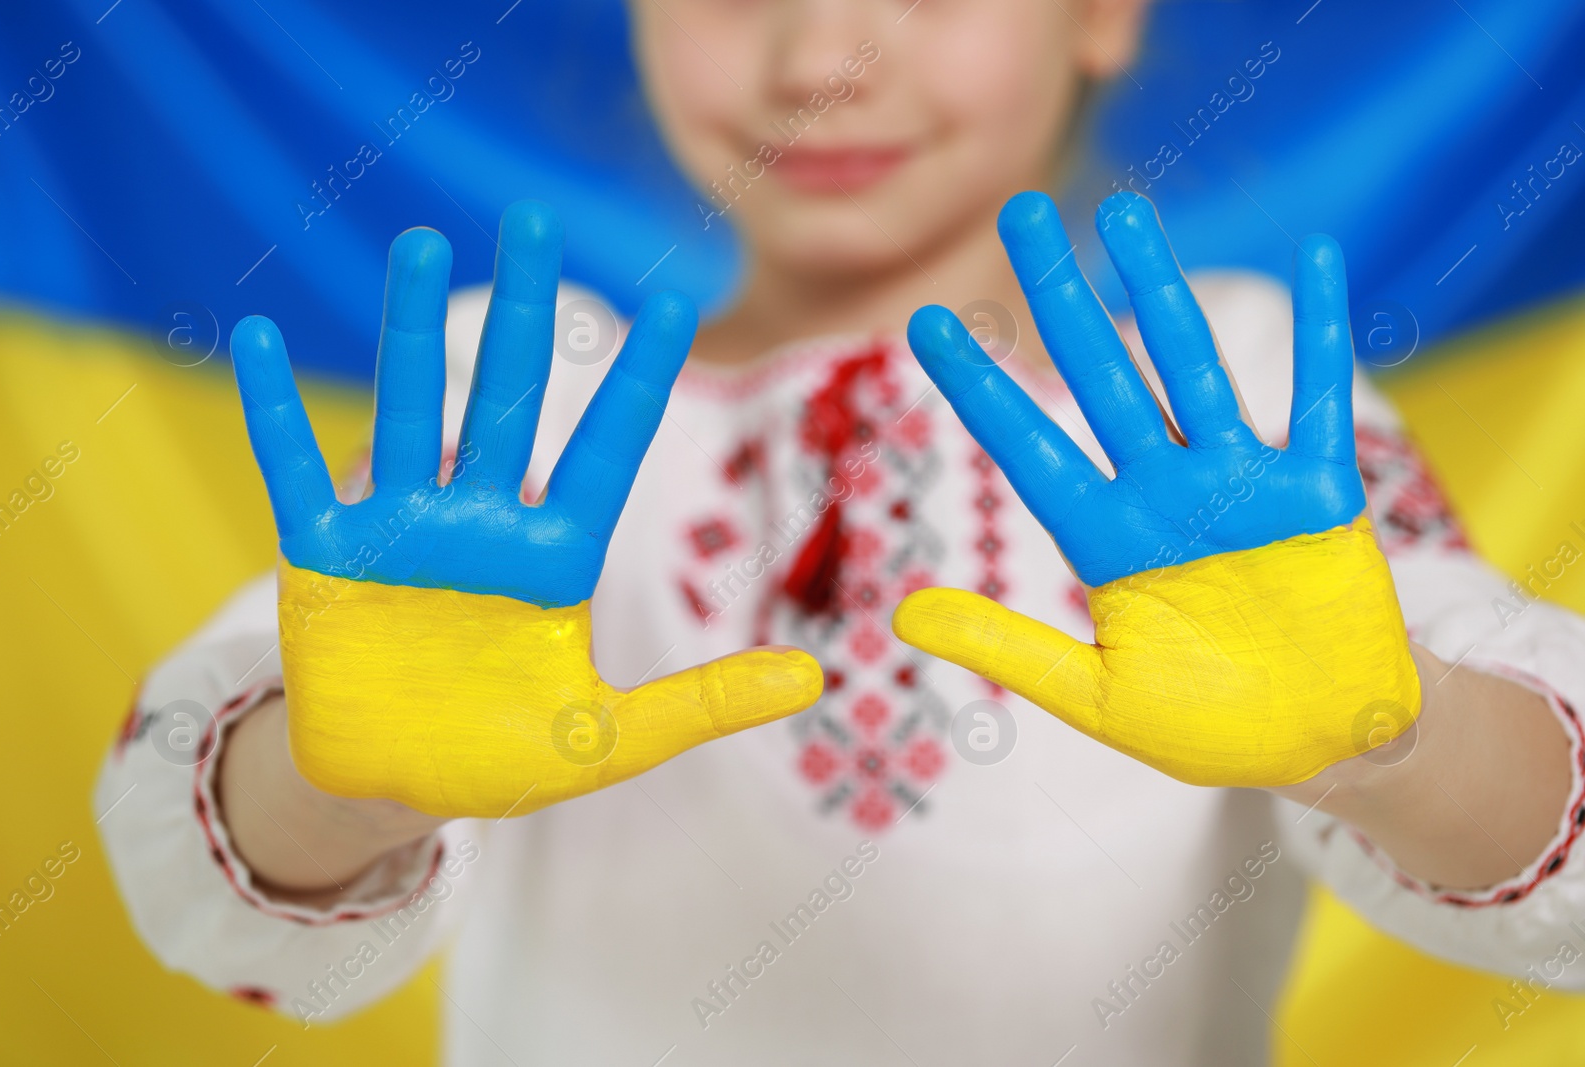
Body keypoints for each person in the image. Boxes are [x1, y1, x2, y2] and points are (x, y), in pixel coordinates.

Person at [95, 1, 1585, 1063]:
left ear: (1105, 12)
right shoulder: (512, 415)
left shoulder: (1248, 416)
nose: (821, 58)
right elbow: (192, 846)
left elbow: (1552, 862)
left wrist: (1391, 744)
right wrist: (337, 791)